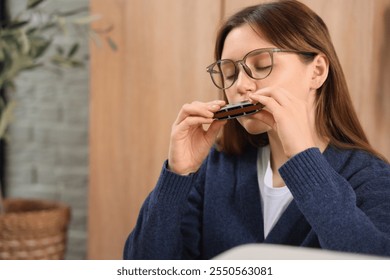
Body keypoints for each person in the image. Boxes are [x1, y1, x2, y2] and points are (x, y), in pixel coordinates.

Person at [123, 0, 390, 259]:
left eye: (262, 66)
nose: (240, 85)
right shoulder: (217, 167)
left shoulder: (371, 177)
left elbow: (373, 264)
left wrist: (303, 159)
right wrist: (177, 176)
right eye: (229, 73)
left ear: (317, 71)